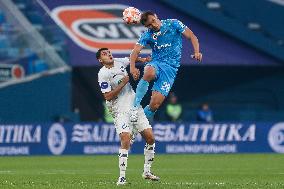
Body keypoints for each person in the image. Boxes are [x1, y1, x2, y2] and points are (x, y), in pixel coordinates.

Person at [96, 48, 159, 185]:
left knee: (150, 138)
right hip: (120, 109)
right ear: (100, 60)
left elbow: (131, 59)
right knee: (125, 139)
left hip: (134, 105)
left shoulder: (119, 62)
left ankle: (147, 171)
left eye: (109, 52)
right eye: (105, 54)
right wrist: (123, 83)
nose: (109, 54)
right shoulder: (103, 74)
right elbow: (107, 96)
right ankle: (122, 177)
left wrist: (143, 60)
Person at [129, 11, 202, 122]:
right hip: (156, 63)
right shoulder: (147, 35)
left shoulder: (173, 24)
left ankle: (138, 123)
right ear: (146, 26)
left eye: (153, 21)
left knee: (154, 105)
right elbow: (135, 52)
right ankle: (134, 107)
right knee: (149, 72)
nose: (153, 25)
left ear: (156, 16)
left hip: (171, 69)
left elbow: (191, 36)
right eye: (149, 25)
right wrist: (132, 68)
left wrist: (197, 51)